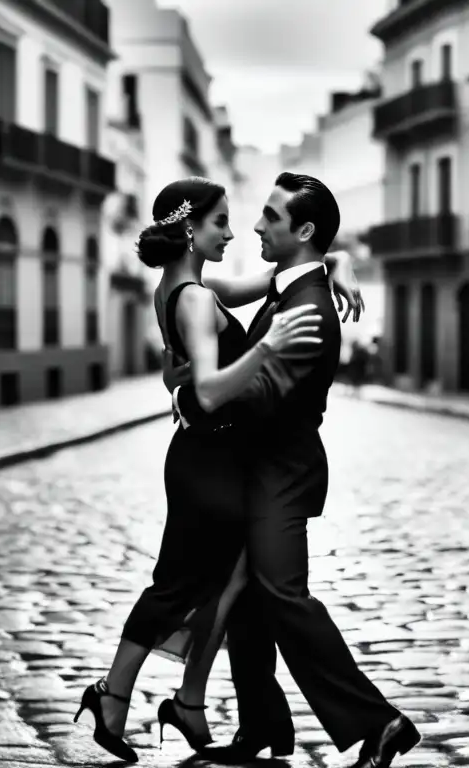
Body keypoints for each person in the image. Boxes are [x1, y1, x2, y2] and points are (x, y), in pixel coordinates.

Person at [74, 176, 364, 763]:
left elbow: (288, 269)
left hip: (209, 458)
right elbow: (206, 391)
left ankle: (186, 698)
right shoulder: (198, 298)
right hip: (207, 461)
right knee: (181, 583)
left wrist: (340, 260)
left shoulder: (186, 287)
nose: (234, 232)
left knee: (227, 581)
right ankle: (116, 694)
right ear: (189, 229)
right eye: (219, 223)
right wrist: (266, 346)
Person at [171, 172, 420, 768]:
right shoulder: (292, 288)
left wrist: (195, 397)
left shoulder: (306, 309)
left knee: (283, 595)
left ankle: (380, 722)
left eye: (271, 217)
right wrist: (335, 258)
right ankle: (260, 725)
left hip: (280, 474)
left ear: (302, 230)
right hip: (263, 472)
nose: (256, 225)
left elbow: (261, 399)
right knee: (252, 602)